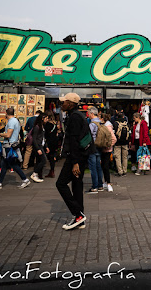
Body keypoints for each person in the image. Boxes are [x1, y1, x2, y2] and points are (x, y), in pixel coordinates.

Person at [55, 93, 94, 230]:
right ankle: (80, 218)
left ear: (71, 104)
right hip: (79, 157)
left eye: (63, 102)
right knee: (77, 186)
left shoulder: (75, 117)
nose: (61, 104)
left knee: (61, 183)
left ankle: (78, 214)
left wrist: (75, 162)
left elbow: (74, 141)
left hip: (76, 157)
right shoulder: (76, 116)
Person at [0, 107, 31, 189]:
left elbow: (8, 135)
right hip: (11, 144)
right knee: (5, 164)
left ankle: (25, 179)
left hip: (9, 145)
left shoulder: (12, 122)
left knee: (12, 164)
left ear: (6, 114)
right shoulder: (16, 121)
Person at [29, 112, 49, 183]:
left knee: (39, 161)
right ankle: (34, 173)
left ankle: (36, 175)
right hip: (38, 146)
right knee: (44, 160)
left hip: (41, 145)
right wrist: (37, 148)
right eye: (46, 118)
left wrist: (46, 146)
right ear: (42, 118)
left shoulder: (42, 126)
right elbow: (34, 138)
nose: (47, 120)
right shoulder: (37, 127)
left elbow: (43, 137)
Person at [100, 113, 116, 192]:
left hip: (106, 149)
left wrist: (108, 146)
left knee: (105, 166)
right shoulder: (107, 126)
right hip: (105, 149)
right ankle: (106, 182)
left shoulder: (107, 127)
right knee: (104, 166)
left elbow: (114, 139)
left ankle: (108, 183)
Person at [44, 111, 60, 178]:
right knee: (52, 156)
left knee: (48, 156)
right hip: (54, 141)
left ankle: (51, 171)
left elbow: (46, 134)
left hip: (49, 141)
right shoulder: (55, 124)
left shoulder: (47, 124)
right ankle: (52, 170)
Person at [114, 113, 130, 177]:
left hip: (117, 143)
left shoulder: (115, 123)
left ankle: (120, 171)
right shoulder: (127, 123)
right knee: (125, 157)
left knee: (118, 158)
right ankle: (125, 170)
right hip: (125, 143)